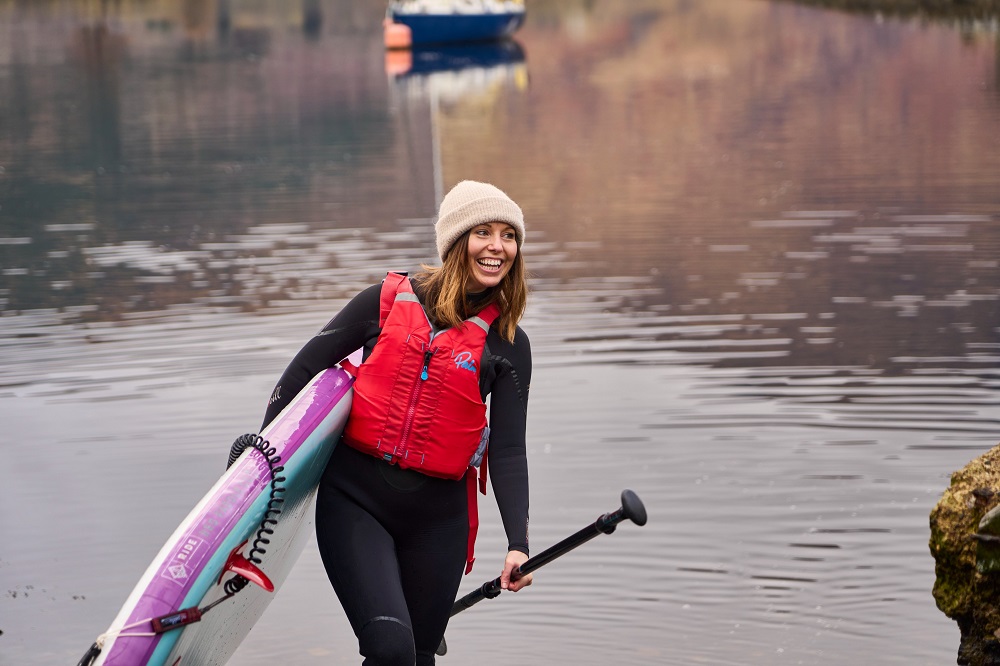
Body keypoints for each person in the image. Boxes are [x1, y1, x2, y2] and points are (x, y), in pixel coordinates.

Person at [260, 180, 533, 665]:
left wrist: (518, 544)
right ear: (457, 240)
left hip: (440, 522)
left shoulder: (508, 344)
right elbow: (300, 374)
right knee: (390, 648)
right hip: (356, 502)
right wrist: (261, 461)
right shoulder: (384, 302)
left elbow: (509, 450)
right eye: (484, 232)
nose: (498, 247)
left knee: (418, 658)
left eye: (508, 236)